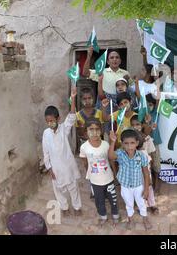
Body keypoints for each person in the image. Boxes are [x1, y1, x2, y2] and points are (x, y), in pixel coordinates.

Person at [42, 86, 82, 217]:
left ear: (58, 119)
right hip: (56, 168)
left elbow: (71, 117)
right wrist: (49, 168)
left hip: (68, 166)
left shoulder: (64, 129)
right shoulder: (46, 134)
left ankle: (77, 207)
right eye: (48, 121)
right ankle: (64, 207)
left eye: (52, 120)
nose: (50, 123)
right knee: (58, 189)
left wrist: (73, 98)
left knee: (73, 188)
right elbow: (46, 153)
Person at [108, 129, 152, 230]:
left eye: (132, 143)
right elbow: (111, 156)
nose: (129, 146)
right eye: (126, 143)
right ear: (122, 144)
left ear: (137, 143)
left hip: (138, 186)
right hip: (125, 186)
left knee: (141, 203)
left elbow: (146, 173)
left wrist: (146, 189)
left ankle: (145, 218)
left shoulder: (142, 156)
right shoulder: (120, 154)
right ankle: (130, 219)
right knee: (128, 203)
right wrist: (113, 142)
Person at [79, 118, 119, 226]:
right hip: (95, 181)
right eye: (91, 129)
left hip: (109, 179)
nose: (94, 132)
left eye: (97, 129)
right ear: (86, 132)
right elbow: (85, 163)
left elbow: (111, 160)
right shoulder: (84, 147)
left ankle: (115, 216)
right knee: (99, 201)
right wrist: (91, 174)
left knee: (113, 199)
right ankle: (103, 217)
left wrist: (115, 174)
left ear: (101, 131)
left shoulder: (106, 144)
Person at [130, 115, 159, 215]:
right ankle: (143, 205)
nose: (135, 126)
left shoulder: (147, 141)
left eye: (137, 124)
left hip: (146, 171)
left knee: (149, 187)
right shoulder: (129, 141)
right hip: (135, 173)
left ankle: (152, 204)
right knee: (139, 189)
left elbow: (150, 157)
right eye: (133, 125)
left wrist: (149, 171)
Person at [143, 94, 162, 195]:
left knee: (156, 164)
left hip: (155, 142)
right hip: (145, 143)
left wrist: (157, 79)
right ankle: (149, 183)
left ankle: (157, 184)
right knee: (148, 164)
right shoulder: (143, 114)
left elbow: (158, 100)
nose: (149, 106)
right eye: (147, 104)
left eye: (151, 104)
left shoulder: (156, 112)